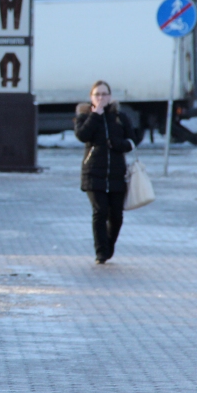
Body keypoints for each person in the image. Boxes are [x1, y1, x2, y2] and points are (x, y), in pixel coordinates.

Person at [74, 81, 135, 264]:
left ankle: (108, 246)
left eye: (104, 94)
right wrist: (95, 116)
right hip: (93, 172)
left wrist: (118, 144)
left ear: (110, 97)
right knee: (100, 212)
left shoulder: (119, 117)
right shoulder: (84, 116)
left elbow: (133, 140)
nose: (101, 98)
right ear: (91, 97)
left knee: (116, 215)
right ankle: (101, 253)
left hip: (116, 173)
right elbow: (82, 136)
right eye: (97, 94)